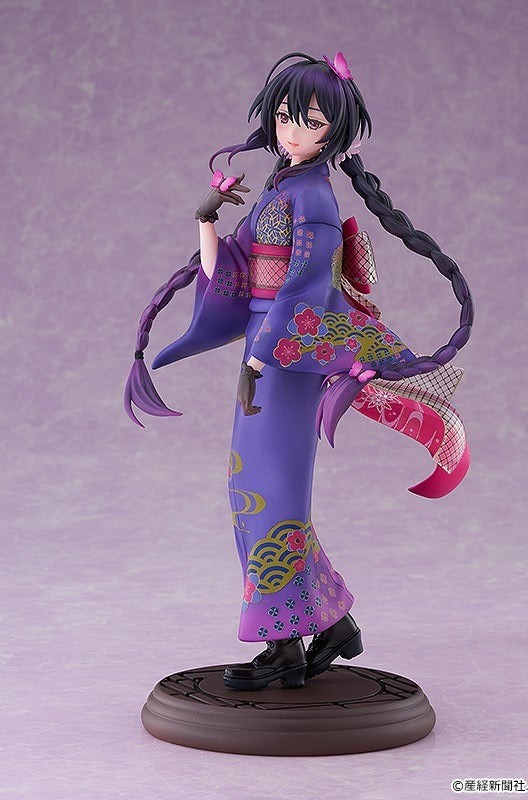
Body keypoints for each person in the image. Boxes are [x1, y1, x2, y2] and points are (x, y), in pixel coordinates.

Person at [124, 51, 473, 691]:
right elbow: (234, 268)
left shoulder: (313, 197)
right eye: (285, 116)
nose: (292, 130)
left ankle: (283, 643)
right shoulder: (282, 189)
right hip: (268, 352)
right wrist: (207, 219)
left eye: (310, 121)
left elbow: (303, 289)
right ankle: (331, 624)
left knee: (268, 491)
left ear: (337, 131)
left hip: (286, 355)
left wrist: (261, 353)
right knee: (254, 487)